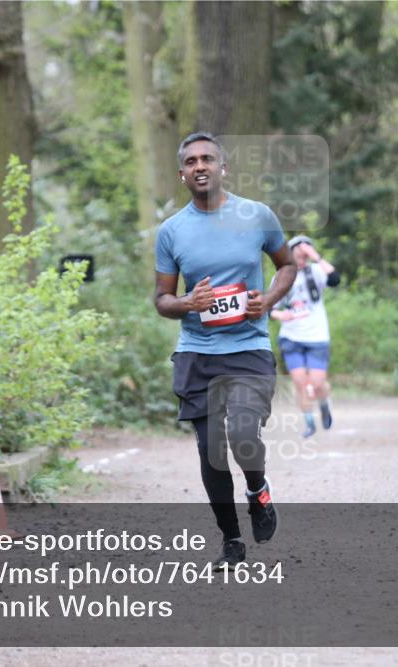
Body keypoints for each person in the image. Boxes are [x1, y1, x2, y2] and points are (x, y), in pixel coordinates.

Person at [154, 132, 296, 570]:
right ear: (182, 175)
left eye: (208, 159)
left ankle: (257, 490)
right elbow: (162, 299)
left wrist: (268, 301)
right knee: (211, 448)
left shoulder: (256, 216)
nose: (200, 166)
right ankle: (232, 541)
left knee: (242, 437)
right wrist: (187, 304)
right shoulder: (171, 231)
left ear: (223, 168)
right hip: (197, 352)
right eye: (191, 161)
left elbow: (287, 264)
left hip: (248, 347)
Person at [269, 236, 340, 438]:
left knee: (317, 383)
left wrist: (315, 256)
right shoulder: (281, 277)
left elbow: (335, 279)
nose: (301, 259)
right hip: (291, 337)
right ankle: (309, 422)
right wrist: (281, 314)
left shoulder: (315, 272)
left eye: (304, 255)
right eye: (297, 255)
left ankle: (324, 404)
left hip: (317, 336)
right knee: (300, 382)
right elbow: (269, 308)